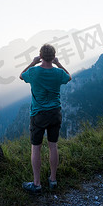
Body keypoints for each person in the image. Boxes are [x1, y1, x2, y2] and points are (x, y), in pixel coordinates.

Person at [19, 44, 71, 194]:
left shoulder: (34, 72)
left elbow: (21, 75)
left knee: (36, 147)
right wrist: (58, 63)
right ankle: (53, 180)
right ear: (53, 56)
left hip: (38, 114)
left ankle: (37, 184)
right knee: (53, 146)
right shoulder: (58, 73)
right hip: (55, 112)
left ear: (40, 56)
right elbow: (69, 77)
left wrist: (33, 62)